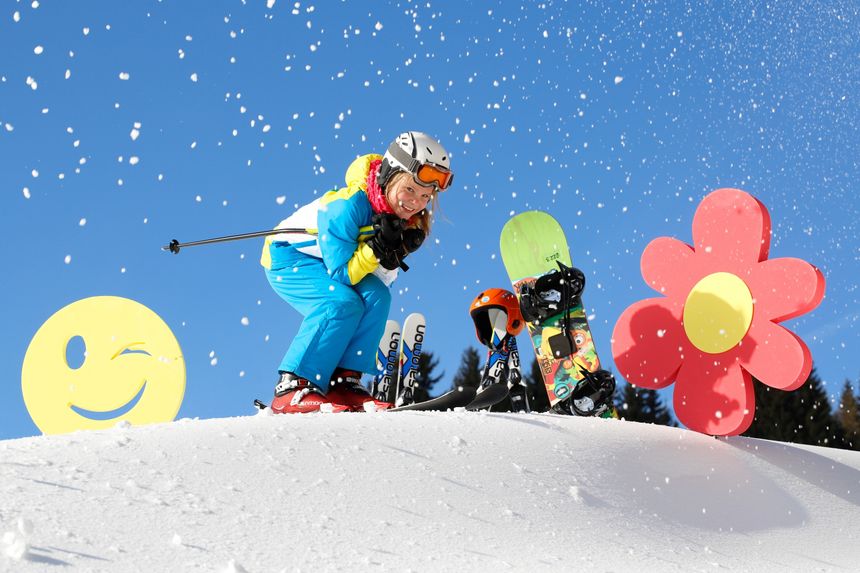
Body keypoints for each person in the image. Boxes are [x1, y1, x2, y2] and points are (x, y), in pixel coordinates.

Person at [260, 131, 454, 413]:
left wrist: (392, 256)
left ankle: (343, 381)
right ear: (390, 176)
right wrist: (374, 251)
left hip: (329, 263)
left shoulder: (403, 219)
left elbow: (379, 282)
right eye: (410, 189)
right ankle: (293, 386)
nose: (416, 201)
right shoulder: (348, 207)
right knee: (339, 303)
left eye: (425, 196)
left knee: (378, 297)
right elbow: (341, 274)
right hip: (287, 256)